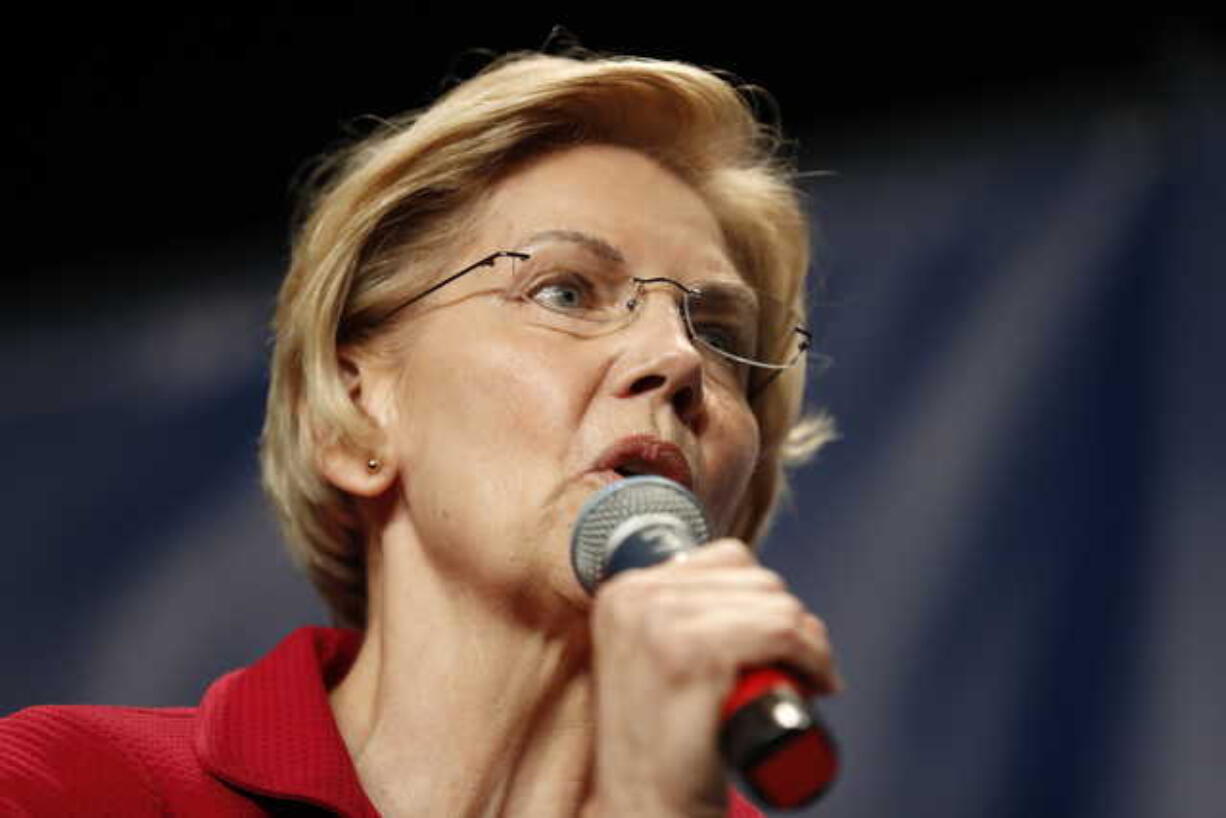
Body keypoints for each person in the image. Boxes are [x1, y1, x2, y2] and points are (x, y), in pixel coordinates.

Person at [1, 49, 840, 818]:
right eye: (565, 292)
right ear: (356, 413)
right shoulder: (74, 788)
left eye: (721, 331)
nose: (676, 356)